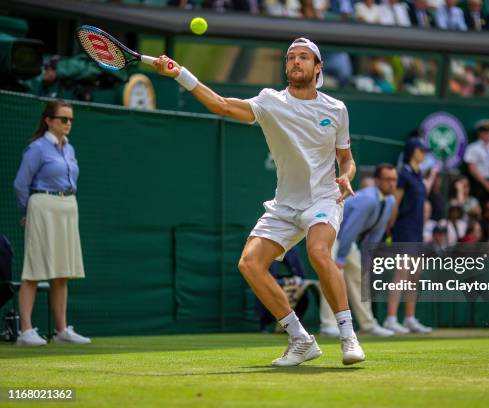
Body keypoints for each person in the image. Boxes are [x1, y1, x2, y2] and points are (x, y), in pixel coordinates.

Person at [152, 38, 365, 366]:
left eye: (303, 57)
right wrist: (181, 74)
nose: (295, 62)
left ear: (318, 67)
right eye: (290, 57)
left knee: (318, 252)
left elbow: (346, 159)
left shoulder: (336, 109)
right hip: (285, 205)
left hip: (324, 198)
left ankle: (348, 336)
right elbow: (222, 105)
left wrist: (347, 175)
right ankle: (300, 339)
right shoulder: (270, 102)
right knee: (250, 264)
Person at [13, 100, 90, 346]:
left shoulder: (70, 149)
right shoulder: (37, 148)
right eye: (63, 119)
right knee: (34, 270)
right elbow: (20, 184)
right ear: (49, 120)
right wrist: (28, 211)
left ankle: (61, 332)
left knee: (62, 271)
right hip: (42, 206)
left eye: (71, 120)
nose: (68, 124)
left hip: (68, 207)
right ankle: (25, 331)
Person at [319, 164, 397, 338]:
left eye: (394, 180)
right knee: (331, 276)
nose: (392, 184)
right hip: (331, 234)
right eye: (387, 179)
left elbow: (377, 233)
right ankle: (328, 325)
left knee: (360, 277)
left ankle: (368, 324)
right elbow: (350, 230)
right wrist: (339, 258)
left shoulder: (390, 201)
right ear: (377, 181)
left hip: (345, 240)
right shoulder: (368, 200)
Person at [384, 138, 433, 334]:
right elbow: (395, 203)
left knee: (413, 276)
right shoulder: (403, 174)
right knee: (401, 275)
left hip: (417, 231)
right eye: (421, 150)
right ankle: (390, 319)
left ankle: (410, 319)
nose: (424, 153)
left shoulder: (419, 175)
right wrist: (389, 227)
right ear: (413, 151)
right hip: (403, 229)